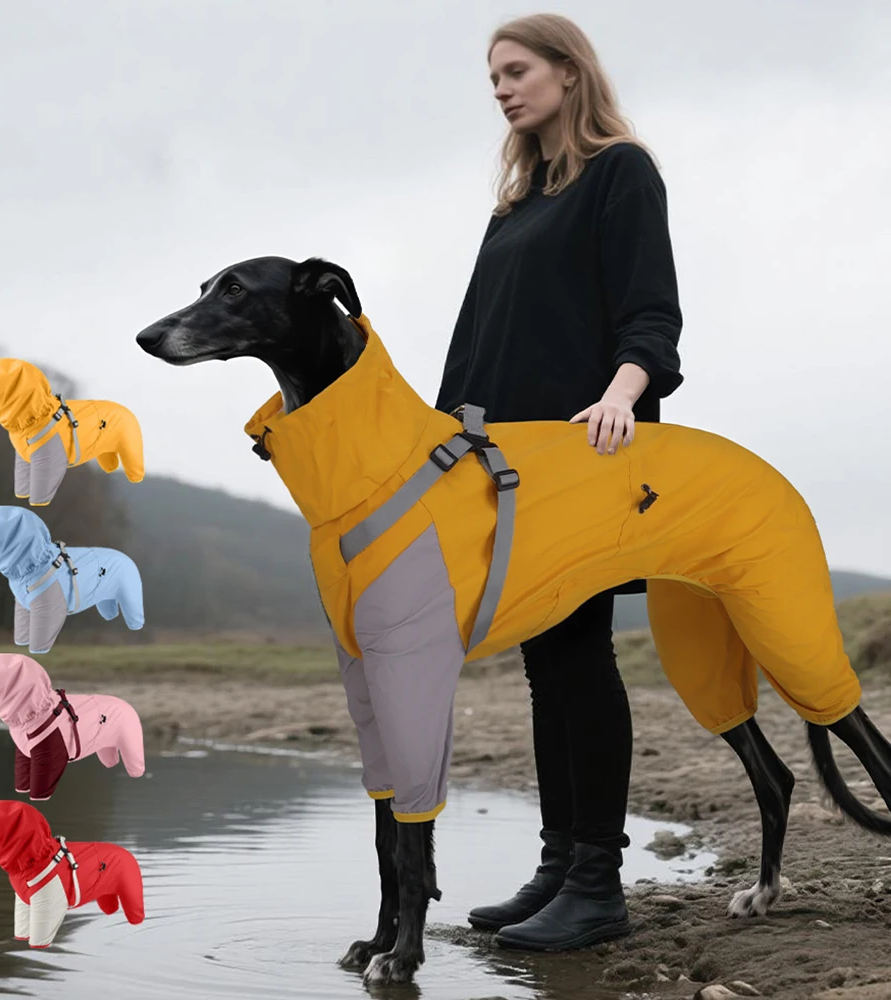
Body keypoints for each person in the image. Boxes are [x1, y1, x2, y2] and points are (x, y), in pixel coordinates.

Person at [435, 12, 684, 951]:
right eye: (492, 75)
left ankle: (598, 886)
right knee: (548, 662)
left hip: (587, 453)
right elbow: (477, 343)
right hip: (506, 464)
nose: (500, 87)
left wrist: (624, 393)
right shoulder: (518, 200)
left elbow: (652, 311)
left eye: (516, 69)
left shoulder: (621, 170)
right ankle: (556, 868)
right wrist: (446, 439)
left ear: (569, 73)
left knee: (580, 654)